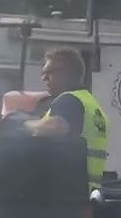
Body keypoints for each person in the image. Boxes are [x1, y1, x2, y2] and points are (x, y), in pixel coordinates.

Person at [23, 47, 110, 191]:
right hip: (87, 193)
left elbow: (57, 126)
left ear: (64, 73)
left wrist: (24, 123)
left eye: (48, 73)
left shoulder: (69, 99)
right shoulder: (92, 105)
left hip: (65, 194)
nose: (43, 78)